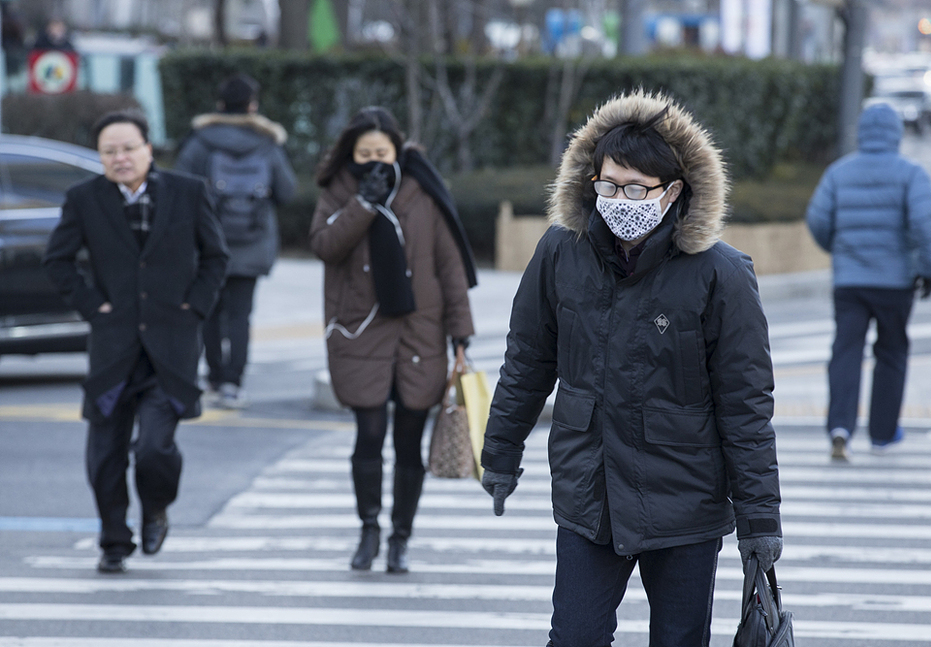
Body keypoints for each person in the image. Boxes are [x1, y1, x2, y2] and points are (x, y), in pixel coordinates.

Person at [480, 90, 783, 647]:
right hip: (588, 494)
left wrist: (760, 521)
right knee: (573, 637)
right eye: (608, 185)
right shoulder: (558, 253)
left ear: (672, 191)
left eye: (636, 188)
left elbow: (746, 405)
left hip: (685, 501)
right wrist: (500, 451)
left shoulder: (721, 274)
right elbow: (527, 360)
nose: (620, 199)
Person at [43, 110, 228, 574]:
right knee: (104, 453)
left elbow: (216, 257)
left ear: (149, 149)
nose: (120, 158)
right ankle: (113, 538)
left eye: (128, 148)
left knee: (155, 449)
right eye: (109, 151)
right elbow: (58, 261)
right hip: (113, 348)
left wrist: (195, 309)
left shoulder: (188, 192)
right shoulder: (84, 199)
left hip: (171, 346)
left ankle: (156, 507)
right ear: (100, 157)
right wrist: (94, 307)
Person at [309, 106, 476, 573]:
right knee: (369, 434)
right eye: (364, 153)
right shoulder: (337, 189)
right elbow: (324, 246)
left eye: (381, 152)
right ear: (351, 153)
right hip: (359, 328)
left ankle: (401, 536)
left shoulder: (422, 190)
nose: (373, 160)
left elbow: (449, 267)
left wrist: (461, 332)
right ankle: (369, 529)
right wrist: (362, 203)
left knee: (407, 440)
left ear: (397, 149)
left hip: (419, 331)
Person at [806, 102, 931, 461]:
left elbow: (817, 220)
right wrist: (926, 269)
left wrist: (839, 249)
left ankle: (840, 427)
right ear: (896, 133)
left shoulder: (838, 173)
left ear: (861, 132)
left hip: (849, 281)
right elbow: (925, 226)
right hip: (895, 282)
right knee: (892, 352)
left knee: (846, 351)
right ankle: (882, 434)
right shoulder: (912, 174)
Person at [175, 73, 297, 408]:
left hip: (209, 243)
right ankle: (234, 382)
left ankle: (214, 376)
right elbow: (287, 191)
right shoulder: (267, 143)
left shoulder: (201, 141)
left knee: (210, 312)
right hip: (254, 241)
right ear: (252, 106)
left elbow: (180, 188)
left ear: (219, 104)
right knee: (241, 315)